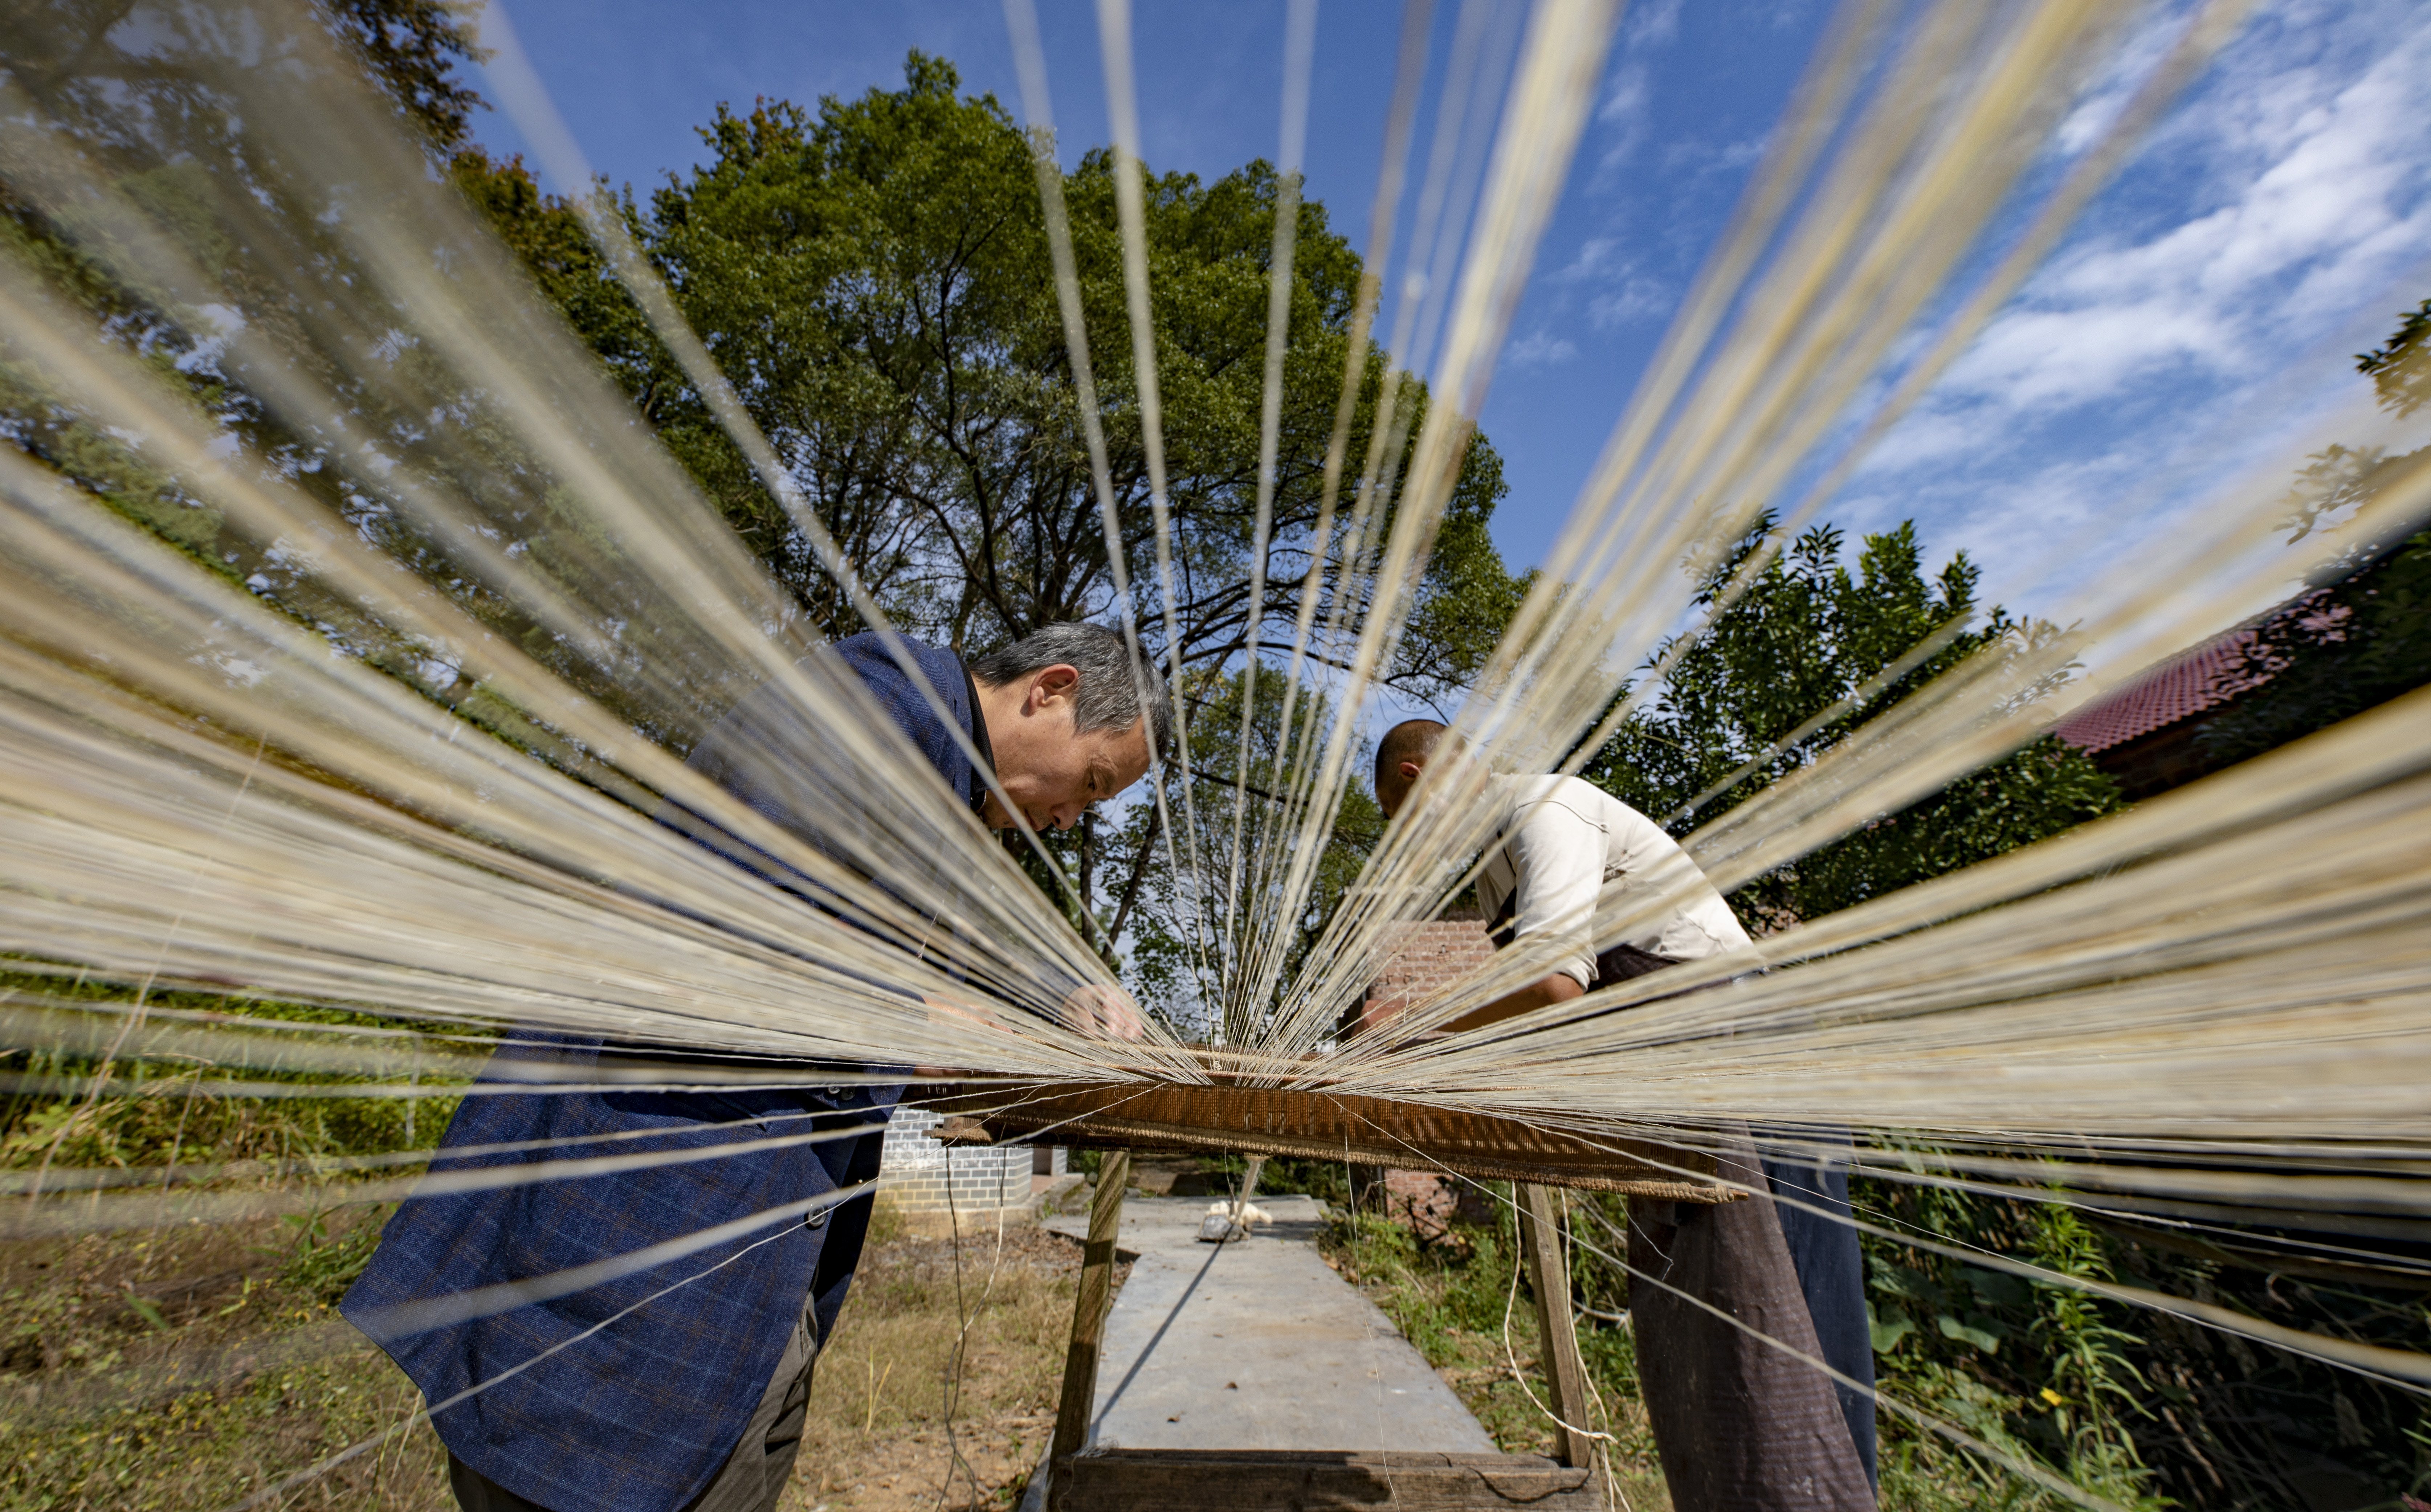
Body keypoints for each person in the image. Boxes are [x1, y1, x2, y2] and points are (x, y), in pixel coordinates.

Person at [344, 622, 1170, 1512]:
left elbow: (940, 940)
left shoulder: (933, 781)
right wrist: (916, 1025)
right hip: (626, 1278)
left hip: (733, 1295)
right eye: (1090, 782)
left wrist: (1064, 990)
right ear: (1050, 690)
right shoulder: (864, 714)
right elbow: (707, 948)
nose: (1070, 818)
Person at [1370, 718, 1877, 1512]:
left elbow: (1550, 986)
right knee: (1713, 1338)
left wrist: (1414, 1028)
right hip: (1683, 1101)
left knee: (1796, 1332)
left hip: (1755, 1075)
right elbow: (1543, 1016)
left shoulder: (1546, 808)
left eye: (1400, 822)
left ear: (1416, 778)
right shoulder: (1495, 878)